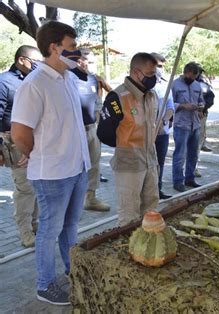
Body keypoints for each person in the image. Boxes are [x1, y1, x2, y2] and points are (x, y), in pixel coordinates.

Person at [11, 21, 91, 305]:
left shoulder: (68, 78)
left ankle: (73, 271)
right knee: (49, 229)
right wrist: (35, 153)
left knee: (70, 226)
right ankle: (45, 284)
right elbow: (20, 132)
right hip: (53, 174)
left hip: (77, 168)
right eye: (72, 47)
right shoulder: (35, 84)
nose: (77, 51)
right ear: (54, 48)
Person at [97, 52, 159, 226]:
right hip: (129, 165)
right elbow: (104, 133)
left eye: (155, 73)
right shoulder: (117, 97)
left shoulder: (150, 95)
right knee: (129, 215)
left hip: (150, 161)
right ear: (136, 73)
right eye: (150, 74)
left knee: (151, 209)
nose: (154, 78)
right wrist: (126, 145)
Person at [0, 45, 41, 248]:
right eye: (35, 61)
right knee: (25, 189)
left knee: (36, 186)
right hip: (14, 142)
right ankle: (25, 232)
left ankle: (35, 225)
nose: (38, 65)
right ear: (21, 60)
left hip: (37, 140)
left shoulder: (34, 81)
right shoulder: (4, 82)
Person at [70, 48, 111, 212]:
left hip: (93, 128)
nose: (87, 64)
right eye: (88, 61)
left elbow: (98, 102)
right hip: (74, 130)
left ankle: (90, 199)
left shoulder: (94, 79)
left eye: (90, 61)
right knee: (75, 168)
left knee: (94, 165)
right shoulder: (69, 78)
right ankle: (73, 205)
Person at [171, 62, 204, 192]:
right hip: (181, 125)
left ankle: (189, 179)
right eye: (191, 76)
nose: (193, 79)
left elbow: (201, 100)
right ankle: (178, 181)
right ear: (185, 72)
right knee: (180, 154)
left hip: (195, 124)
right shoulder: (175, 84)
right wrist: (183, 106)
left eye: (195, 77)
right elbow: (169, 104)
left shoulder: (197, 85)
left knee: (193, 154)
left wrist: (201, 107)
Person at [151, 52, 174, 199]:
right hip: (147, 134)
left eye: (162, 67)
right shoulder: (144, 85)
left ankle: (158, 190)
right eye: (158, 66)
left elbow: (170, 107)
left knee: (160, 163)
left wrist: (164, 121)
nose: (161, 69)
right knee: (148, 165)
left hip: (163, 132)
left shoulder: (166, 85)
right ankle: (147, 193)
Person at [195, 64, 215, 177]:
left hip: (201, 116)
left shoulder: (204, 85)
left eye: (199, 71)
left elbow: (210, 99)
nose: (198, 74)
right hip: (186, 118)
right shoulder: (181, 83)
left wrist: (203, 108)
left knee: (198, 143)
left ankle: (194, 168)